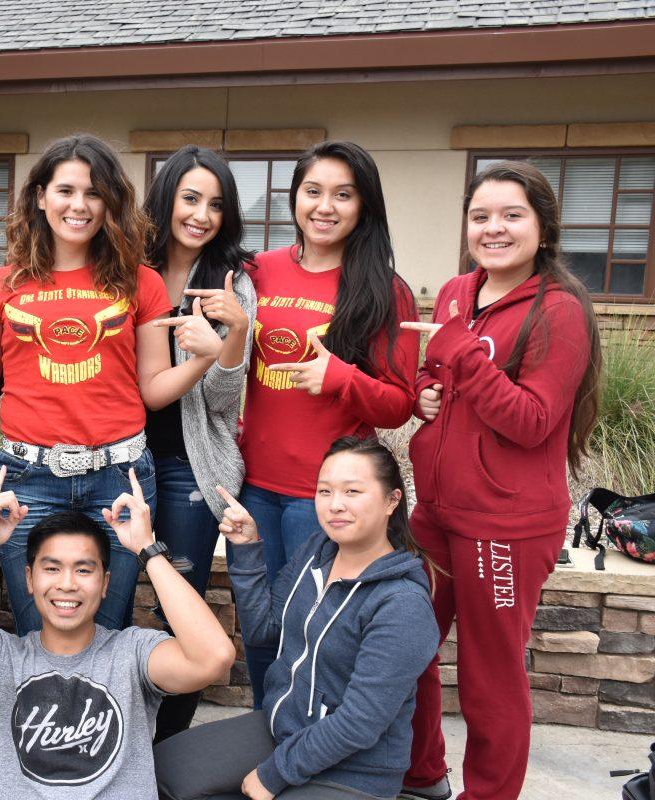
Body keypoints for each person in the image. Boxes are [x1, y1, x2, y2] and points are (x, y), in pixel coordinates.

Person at [0, 133, 224, 636]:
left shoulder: (139, 282)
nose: (79, 205)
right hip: (27, 481)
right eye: (66, 191)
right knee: (38, 634)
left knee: (107, 632)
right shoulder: (0, 285)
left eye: (94, 193)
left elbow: (152, 390)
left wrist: (204, 360)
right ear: (40, 196)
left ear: (110, 204)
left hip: (119, 477)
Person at [399, 161, 602, 800]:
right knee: (405, 648)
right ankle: (419, 773)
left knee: (490, 679)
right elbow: (437, 369)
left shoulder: (560, 311)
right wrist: (427, 392)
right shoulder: (461, 291)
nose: (494, 228)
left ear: (542, 229)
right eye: (481, 216)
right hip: (435, 511)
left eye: (512, 215)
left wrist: (458, 354)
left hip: (505, 525)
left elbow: (533, 421)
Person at [0, 467, 236, 800]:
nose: (67, 583)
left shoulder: (133, 653)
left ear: (105, 583)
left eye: (83, 569)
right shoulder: (2, 657)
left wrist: (146, 548)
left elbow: (214, 658)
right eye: (51, 568)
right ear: (29, 579)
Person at [232, 140, 420, 708]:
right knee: (261, 633)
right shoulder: (257, 271)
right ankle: (270, 740)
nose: (325, 206)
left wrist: (341, 376)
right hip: (257, 485)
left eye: (343, 195)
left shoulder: (385, 290)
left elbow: (398, 404)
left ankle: (310, 749)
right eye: (313, 192)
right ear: (295, 197)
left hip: (327, 497)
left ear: (364, 206)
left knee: (315, 636)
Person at [154, 437, 440, 800]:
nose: (335, 505)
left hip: (354, 770)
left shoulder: (402, 603)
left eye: (353, 491)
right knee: (159, 770)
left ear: (391, 500)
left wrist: (273, 774)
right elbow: (262, 631)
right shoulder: (316, 553)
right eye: (325, 491)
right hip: (282, 728)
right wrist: (246, 548)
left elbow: (360, 723)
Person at [140, 144, 257, 740]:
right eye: (190, 198)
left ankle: (167, 749)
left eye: (215, 204)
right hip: (120, 458)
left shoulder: (233, 283)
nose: (201, 215)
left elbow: (219, 403)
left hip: (191, 464)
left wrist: (231, 335)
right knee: (103, 599)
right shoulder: (125, 269)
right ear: (165, 200)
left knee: (178, 606)